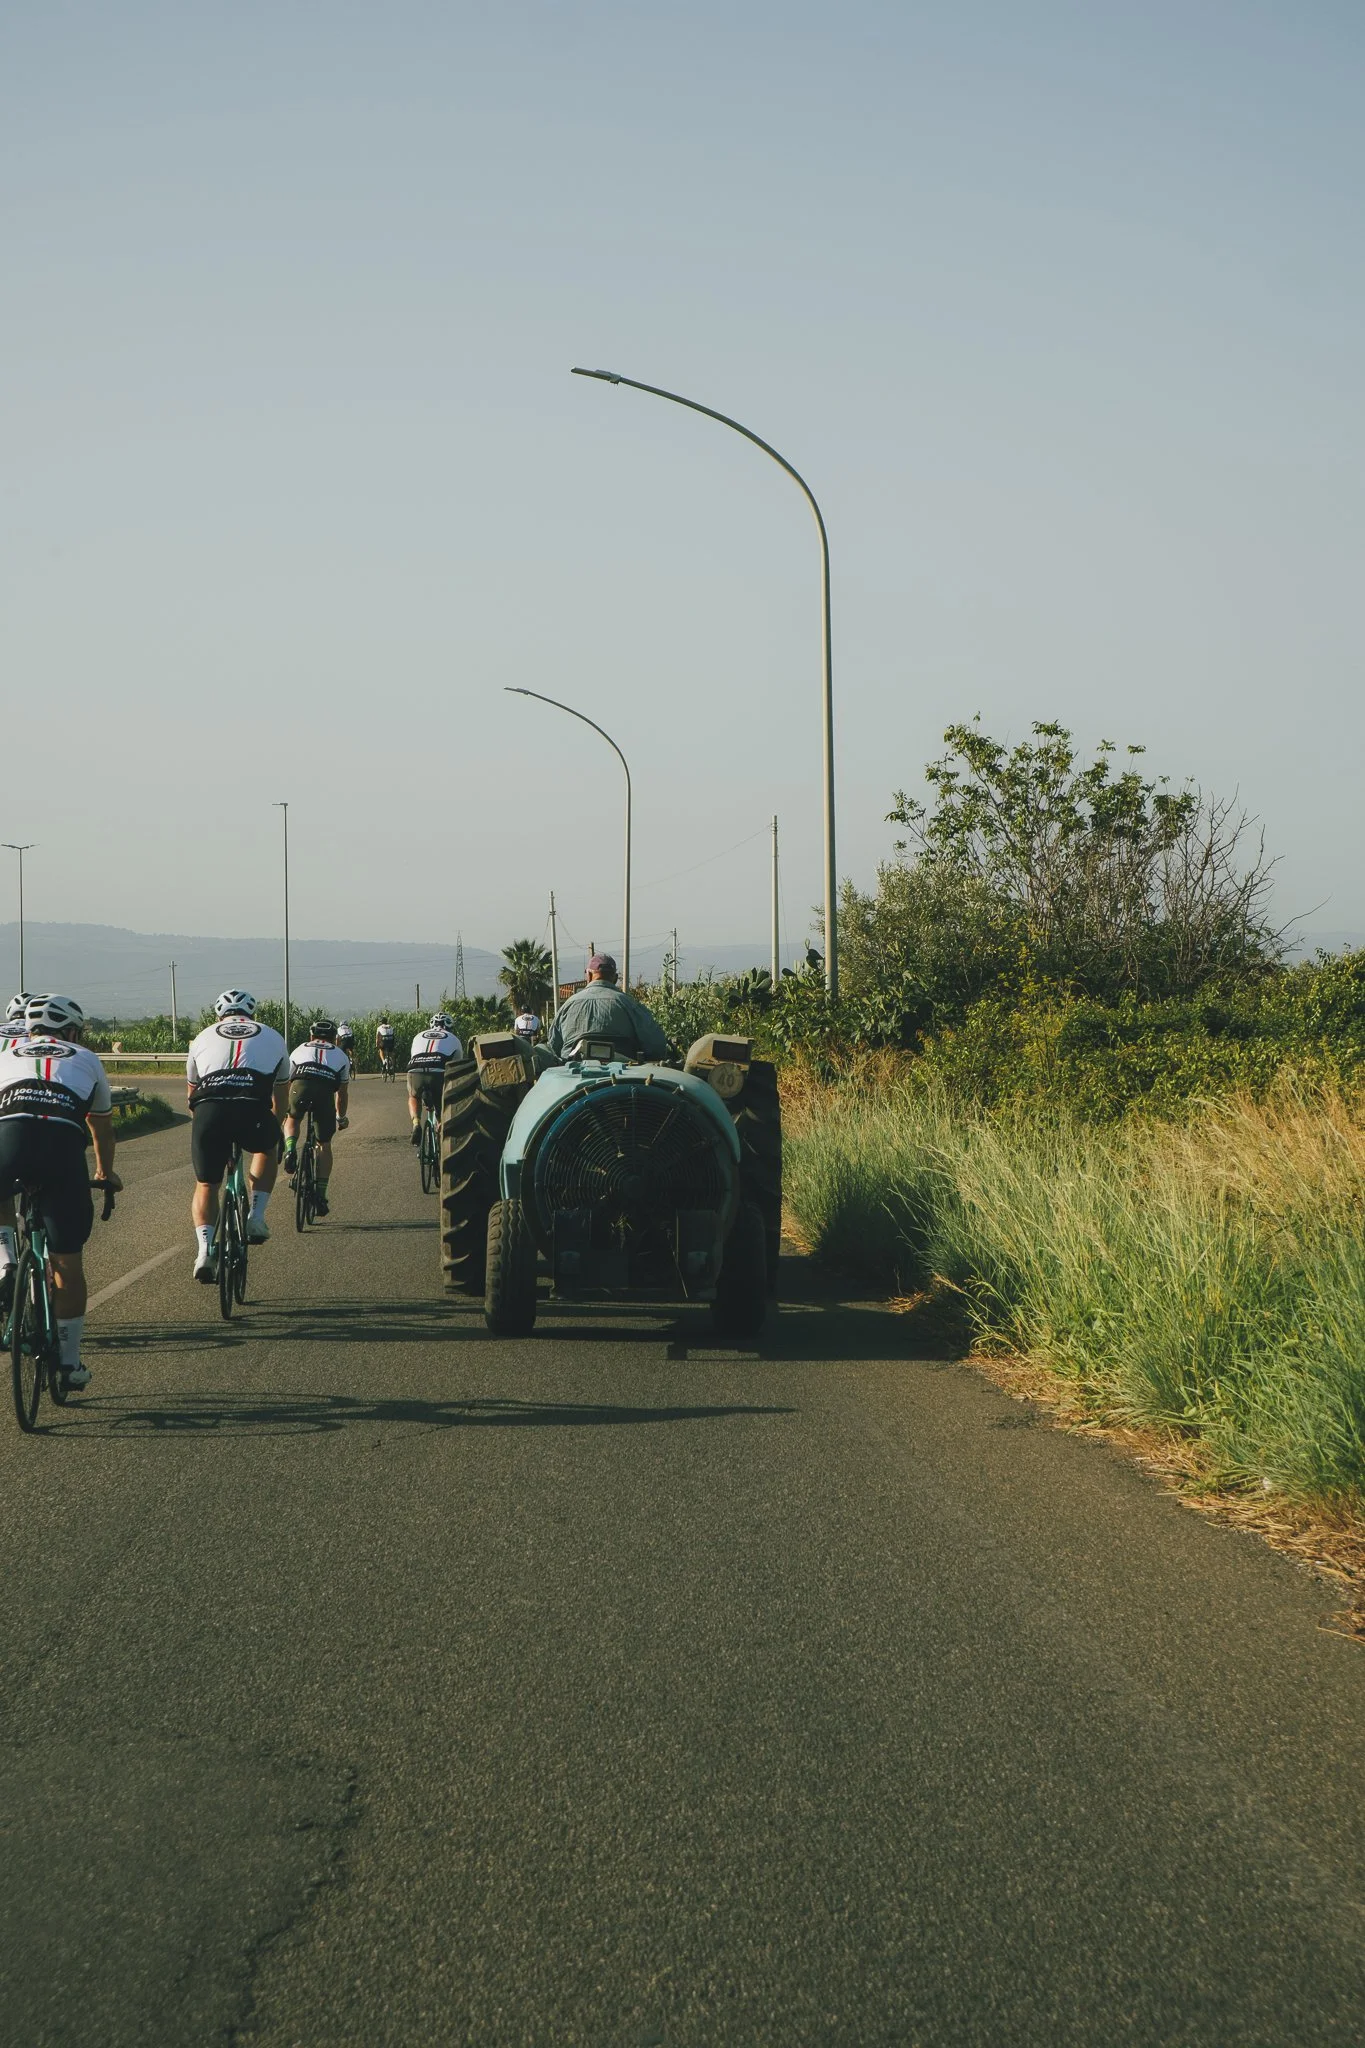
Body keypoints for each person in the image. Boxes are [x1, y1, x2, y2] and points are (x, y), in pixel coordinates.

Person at [0, 993, 120, 1387]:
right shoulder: (86, 1059)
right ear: (71, 1031)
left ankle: (5, 1260)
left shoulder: (7, 1054)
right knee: (67, 1265)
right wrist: (105, 1172)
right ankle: (68, 1363)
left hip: (9, 1139)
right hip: (61, 1149)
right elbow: (100, 1126)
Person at [185, 990, 289, 1281]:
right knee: (266, 1149)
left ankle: (205, 1251)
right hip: (252, 1109)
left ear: (218, 1016)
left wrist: (205, 1134)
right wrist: (275, 1129)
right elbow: (281, 1095)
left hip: (209, 1111)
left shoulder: (202, 1037)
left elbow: (192, 1094)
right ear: (252, 1014)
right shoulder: (272, 1035)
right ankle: (256, 1218)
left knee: (206, 1183)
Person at [281, 1018, 351, 1216]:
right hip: (324, 1090)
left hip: (300, 1086)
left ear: (311, 1036)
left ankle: (290, 1150)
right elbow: (342, 1095)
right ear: (335, 1039)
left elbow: (286, 1082)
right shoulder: (341, 1055)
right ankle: (320, 1194)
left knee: (293, 1119)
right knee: (324, 1144)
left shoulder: (299, 1048)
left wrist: (288, 1108)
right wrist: (341, 1118)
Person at [547, 955, 669, 1062]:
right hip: (624, 1077)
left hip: (572, 1072)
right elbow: (656, 1046)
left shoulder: (568, 1005)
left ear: (588, 975)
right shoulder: (629, 1004)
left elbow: (553, 1048)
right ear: (615, 978)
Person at [407, 1012, 463, 1142]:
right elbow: (457, 1066)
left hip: (416, 1070)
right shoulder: (454, 1039)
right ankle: (441, 1125)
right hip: (439, 1072)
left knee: (414, 1096)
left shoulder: (418, 1036)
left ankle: (416, 1123)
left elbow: (413, 1056)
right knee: (445, 1101)